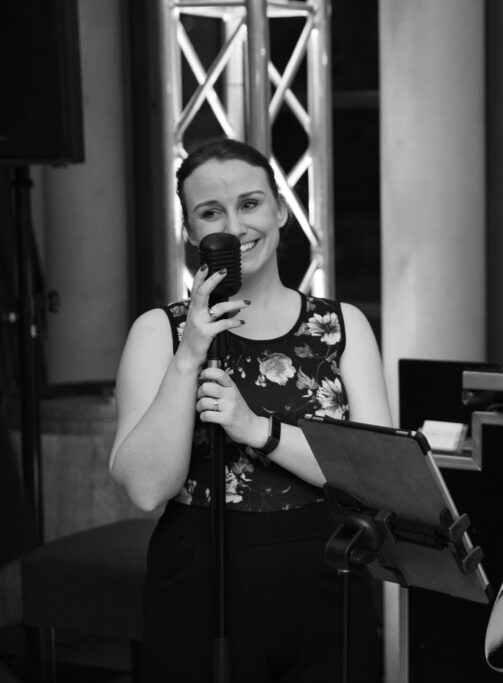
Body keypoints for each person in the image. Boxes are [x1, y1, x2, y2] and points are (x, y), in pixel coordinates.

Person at [109, 137, 392, 682]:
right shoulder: (158, 331)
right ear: (190, 232)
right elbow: (145, 489)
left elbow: (377, 477)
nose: (235, 227)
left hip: (326, 567)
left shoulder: (341, 325)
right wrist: (189, 353)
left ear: (281, 211)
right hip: (199, 575)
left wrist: (259, 430)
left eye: (250, 204)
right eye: (211, 212)